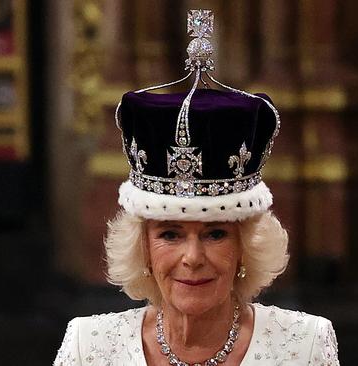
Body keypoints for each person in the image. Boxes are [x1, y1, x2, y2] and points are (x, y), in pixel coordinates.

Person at [54, 10, 339, 366]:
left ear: (245, 248)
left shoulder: (305, 345)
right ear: (142, 247)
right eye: (170, 234)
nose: (192, 257)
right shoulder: (89, 347)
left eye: (215, 234)